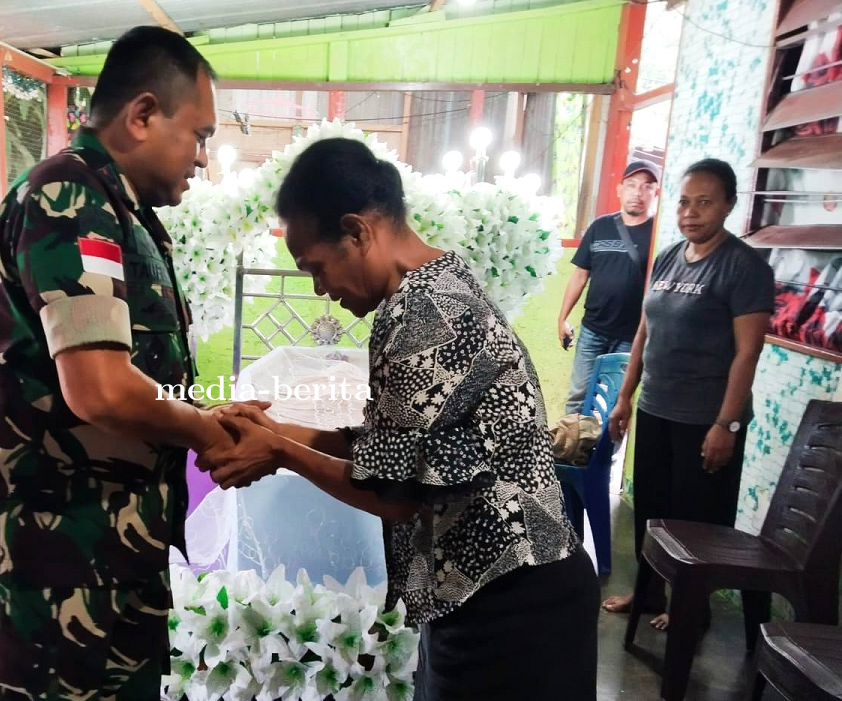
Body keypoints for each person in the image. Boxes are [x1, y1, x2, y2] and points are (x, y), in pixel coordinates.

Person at [201, 138, 600, 700]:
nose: (320, 289)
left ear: (357, 231)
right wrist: (278, 430)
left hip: (512, 599)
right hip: (487, 589)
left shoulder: (424, 310)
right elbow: (397, 450)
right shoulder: (431, 285)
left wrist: (280, 452)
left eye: (317, 267)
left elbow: (396, 493)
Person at [0, 26, 240, 701]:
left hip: (106, 543)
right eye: (198, 135)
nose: (203, 157)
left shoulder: (117, 209)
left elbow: (130, 374)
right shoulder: (68, 199)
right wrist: (206, 431)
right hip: (53, 549)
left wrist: (202, 412)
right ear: (142, 115)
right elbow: (101, 389)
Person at [601, 158, 774, 630]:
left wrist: (726, 424)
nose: (690, 212)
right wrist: (625, 396)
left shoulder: (744, 267)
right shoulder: (669, 257)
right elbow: (645, 331)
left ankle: (691, 609)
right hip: (657, 408)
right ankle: (649, 593)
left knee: (696, 521)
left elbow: (748, 353)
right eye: (683, 202)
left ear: (728, 206)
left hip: (705, 420)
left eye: (704, 202)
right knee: (652, 512)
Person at [559, 160, 660, 414]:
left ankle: (603, 443)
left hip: (631, 337)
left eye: (647, 187)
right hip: (592, 330)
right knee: (578, 397)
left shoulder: (658, 234)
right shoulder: (599, 227)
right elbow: (580, 275)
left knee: (614, 404)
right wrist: (562, 318)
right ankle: (574, 441)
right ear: (620, 189)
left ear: (655, 193)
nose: (638, 193)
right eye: (632, 185)